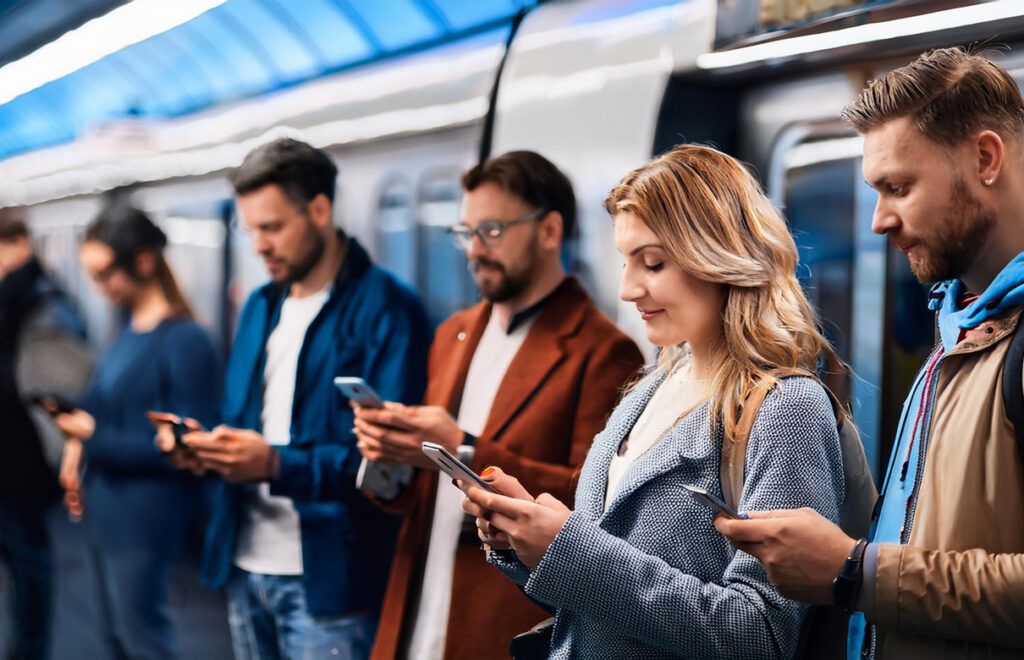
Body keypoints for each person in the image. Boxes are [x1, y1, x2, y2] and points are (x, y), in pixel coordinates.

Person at [459, 144, 848, 658]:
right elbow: (604, 604)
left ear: (717, 255)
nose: (626, 289)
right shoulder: (650, 388)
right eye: (625, 262)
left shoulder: (785, 408)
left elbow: (761, 635)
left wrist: (567, 549)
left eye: (653, 263)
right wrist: (527, 539)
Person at [715, 47, 1024, 659]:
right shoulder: (959, 327)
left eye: (899, 187)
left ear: (986, 158)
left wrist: (855, 571)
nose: (879, 220)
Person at [353, 150, 644, 659]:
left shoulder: (604, 352)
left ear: (549, 230)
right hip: (419, 598)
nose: (473, 250)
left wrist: (463, 448)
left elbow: (593, 509)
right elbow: (424, 485)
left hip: (499, 613)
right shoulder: (453, 334)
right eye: (465, 233)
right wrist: (390, 457)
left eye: (491, 231)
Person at [158, 138, 431, 659]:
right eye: (251, 229)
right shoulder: (261, 306)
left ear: (320, 210)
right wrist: (203, 447)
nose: (259, 245)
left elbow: (388, 462)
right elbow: (237, 415)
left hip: (331, 579)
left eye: (273, 227)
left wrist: (274, 464)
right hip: (246, 562)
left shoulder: (387, 309)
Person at [52, 204, 221, 660]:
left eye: (106, 273)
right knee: (115, 638)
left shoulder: (186, 341)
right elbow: (100, 405)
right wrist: (75, 441)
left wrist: (92, 439)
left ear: (143, 261)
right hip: (106, 507)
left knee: (142, 638)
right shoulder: (127, 331)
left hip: (146, 516)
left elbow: (184, 445)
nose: (100, 287)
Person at [0, 211, 89, 660]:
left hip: (24, 457)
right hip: (14, 455)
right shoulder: (23, 298)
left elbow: (64, 386)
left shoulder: (40, 302)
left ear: (18, 245)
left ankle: (29, 651)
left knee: (29, 563)